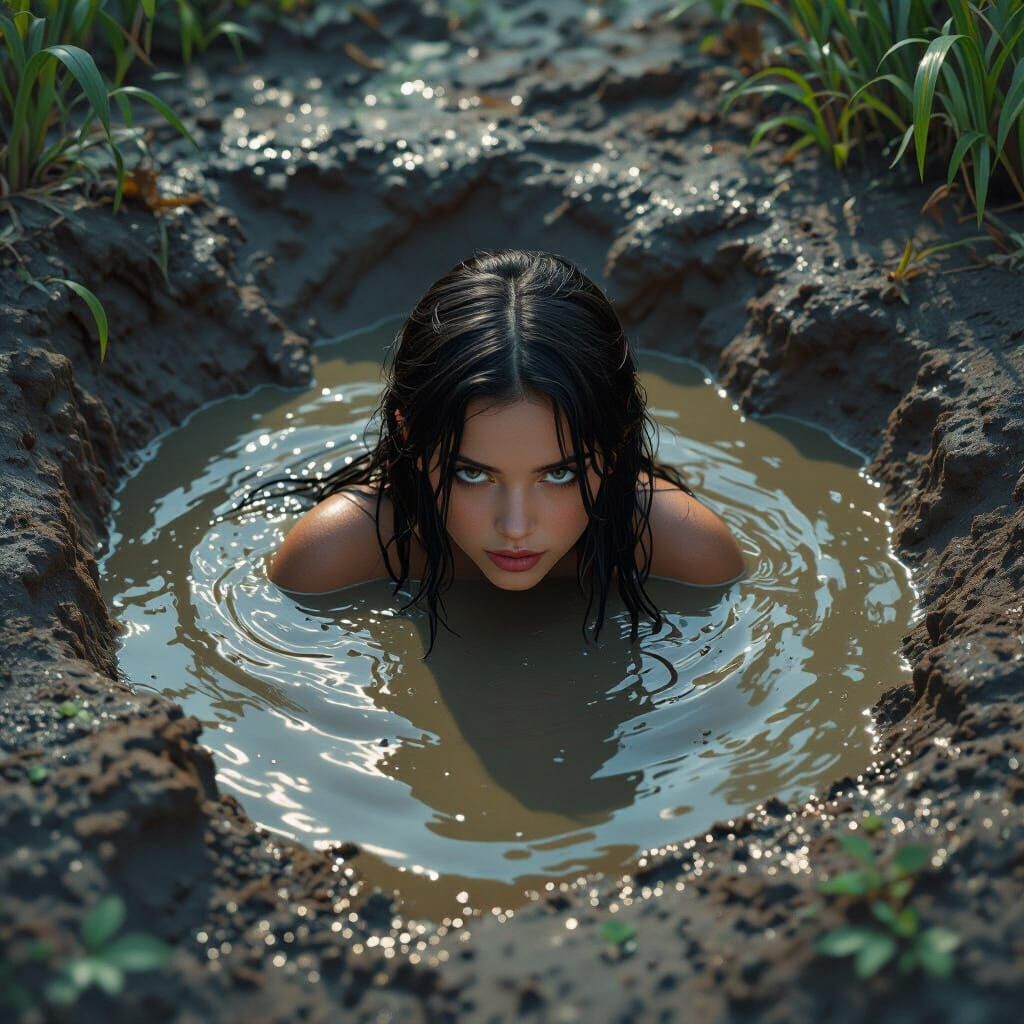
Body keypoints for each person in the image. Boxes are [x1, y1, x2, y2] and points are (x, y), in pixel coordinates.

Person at [238, 249, 744, 651]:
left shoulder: (687, 549)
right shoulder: (337, 553)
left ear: (614, 449)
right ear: (410, 438)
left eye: (560, 475)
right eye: (472, 475)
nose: (516, 527)